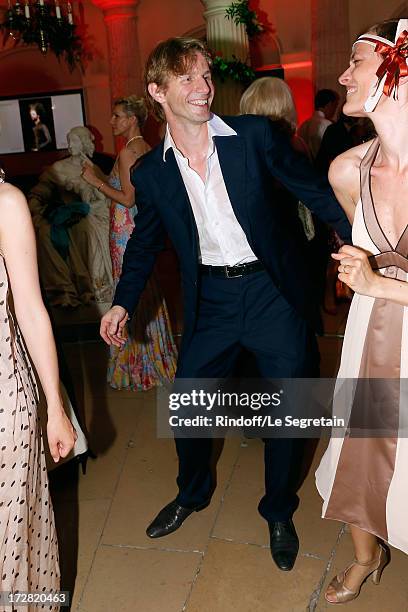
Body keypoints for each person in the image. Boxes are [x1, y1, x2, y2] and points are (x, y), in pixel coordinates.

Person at [100, 37, 351, 572]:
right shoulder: (152, 172)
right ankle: (192, 493)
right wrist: (122, 304)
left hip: (270, 293)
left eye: (206, 75)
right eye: (187, 78)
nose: (203, 87)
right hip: (211, 298)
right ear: (158, 91)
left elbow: (315, 192)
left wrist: (363, 243)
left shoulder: (255, 137)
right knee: (190, 405)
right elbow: (146, 242)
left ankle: (279, 510)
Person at [315, 17, 408, 603]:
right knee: (358, 441)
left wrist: (379, 283)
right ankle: (365, 558)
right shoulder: (346, 170)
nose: (343, 75)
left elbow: (376, 275)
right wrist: (361, 275)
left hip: (390, 309)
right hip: (370, 331)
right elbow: (364, 255)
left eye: (357, 61)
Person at [0, 169, 76, 604]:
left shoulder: (6, 202)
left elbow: (30, 310)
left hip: (6, 400)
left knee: (11, 546)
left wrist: (55, 408)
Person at [82, 96, 177, 391]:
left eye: (117, 115)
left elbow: (128, 198)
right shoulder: (146, 149)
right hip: (138, 229)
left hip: (126, 231)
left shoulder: (127, 153)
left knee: (130, 291)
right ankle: (155, 357)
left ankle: (138, 365)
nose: (112, 121)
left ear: (133, 119)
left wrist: (95, 179)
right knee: (146, 292)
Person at [29, 126, 113, 307]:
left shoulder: (93, 168)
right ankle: (71, 288)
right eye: (68, 141)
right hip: (70, 215)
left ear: (83, 143)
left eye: (74, 141)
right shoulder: (58, 168)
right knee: (56, 231)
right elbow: (39, 193)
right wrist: (36, 211)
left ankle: (96, 286)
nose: (69, 145)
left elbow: (107, 194)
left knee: (93, 227)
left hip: (94, 214)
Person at [298, 89, 340, 160]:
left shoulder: (303, 125)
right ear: (329, 104)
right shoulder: (329, 126)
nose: (334, 110)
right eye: (334, 106)